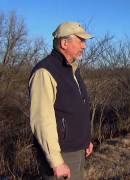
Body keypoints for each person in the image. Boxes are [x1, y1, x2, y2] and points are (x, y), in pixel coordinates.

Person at [29, 22, 94, 179]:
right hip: (62, 154)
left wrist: (86, 140)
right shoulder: (45, 71)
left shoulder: (72, 69)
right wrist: (56, 161)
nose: (84, 46)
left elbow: (76, 109)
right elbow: (42, 120)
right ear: (64, 43)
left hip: (78, 150)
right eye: (81, 41)